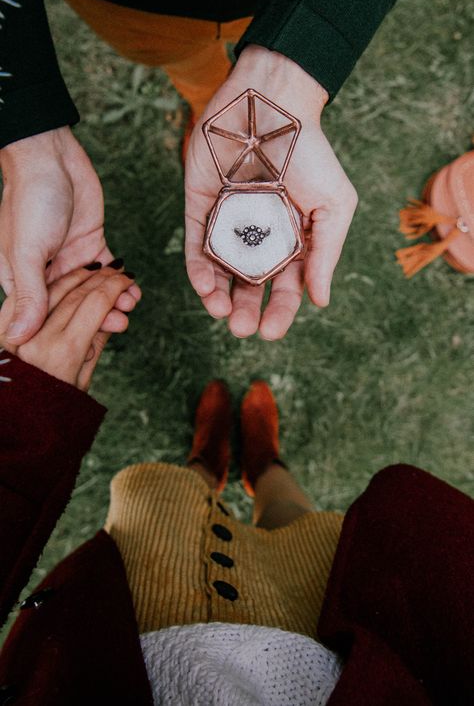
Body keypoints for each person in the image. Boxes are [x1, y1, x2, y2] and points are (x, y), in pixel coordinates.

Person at [0, 0, 473, 344]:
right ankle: (207, 98)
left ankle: (218, 104)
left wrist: (293, 61)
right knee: (175, 54)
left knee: (207, 44)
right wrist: (24, 127)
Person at [0, 266, 472, 703]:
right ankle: (263, 466)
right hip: (336, 646)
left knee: (162, 499)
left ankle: (206, 466)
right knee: (301, 529)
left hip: (132, 634)